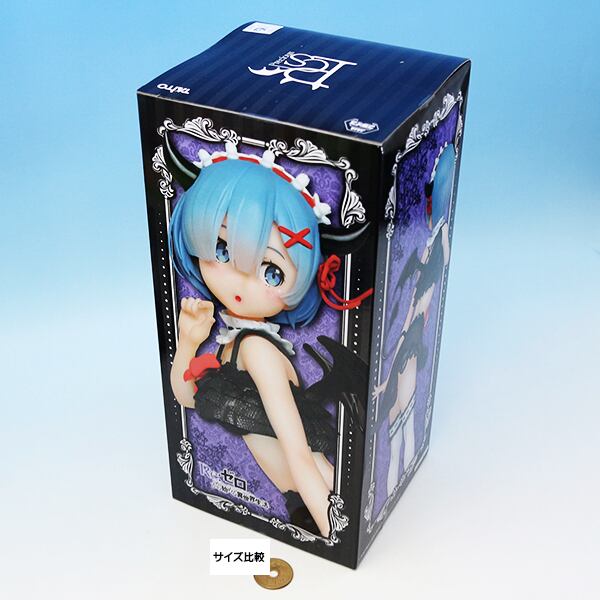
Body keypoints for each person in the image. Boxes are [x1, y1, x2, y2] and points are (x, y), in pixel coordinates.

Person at [165, 134, 371, 537]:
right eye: (222, 250)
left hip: (319, 490)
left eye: (270, 272)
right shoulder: (232, 345)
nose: (239, 281)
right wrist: (188, 341)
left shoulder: (258, 349)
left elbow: (298, 452)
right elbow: (187, 398)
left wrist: (337, 536)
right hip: (296, 499)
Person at [375, 143, 455, 496]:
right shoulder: (432, 249)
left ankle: (394, 485)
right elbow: (410, 316)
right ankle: (395, 484)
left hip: (411, 341)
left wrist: (383, 380)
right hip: (413, 338)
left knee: (400, 423)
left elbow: (409, 318)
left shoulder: (431, 252)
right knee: (400, 424)